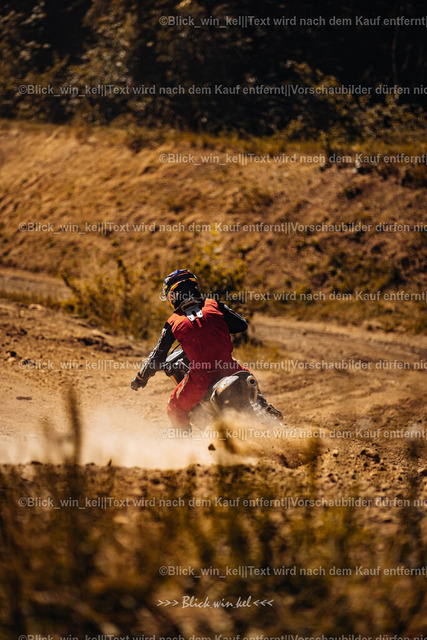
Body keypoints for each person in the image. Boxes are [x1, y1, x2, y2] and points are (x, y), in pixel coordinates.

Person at [131, 269, 281, 429]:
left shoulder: (173, 321)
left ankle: (184, 442)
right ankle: (263, 406)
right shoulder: (214, 304)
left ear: (173, 295)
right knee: (247, 377)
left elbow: (157, 356)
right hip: (228, 366)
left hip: (201, 377)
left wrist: (141, 378)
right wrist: (215, 328)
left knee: (175, 407)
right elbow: (241, 325)